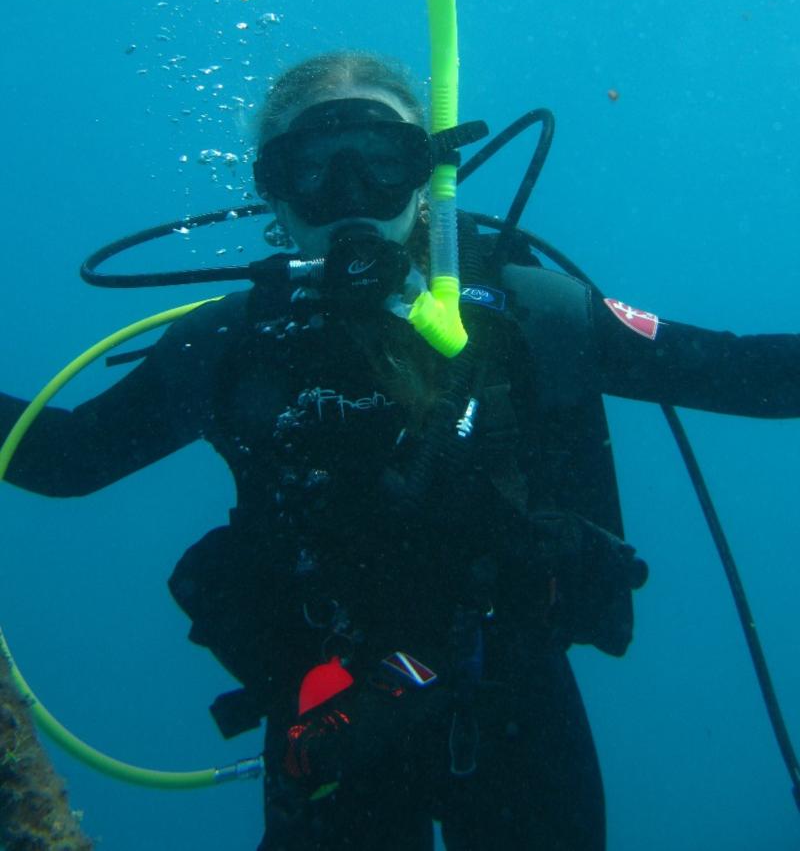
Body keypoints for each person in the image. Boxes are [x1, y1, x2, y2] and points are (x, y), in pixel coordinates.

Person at [2, 49, 799, 851]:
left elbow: (746, 374)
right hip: (330, 712)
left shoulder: (530, 312)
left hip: (513, 698)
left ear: (429, 178)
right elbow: (67, 457)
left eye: (383, 162)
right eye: (313, 167)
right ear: (273, 189)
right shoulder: (230, 345)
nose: (350, 196)